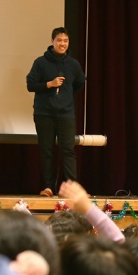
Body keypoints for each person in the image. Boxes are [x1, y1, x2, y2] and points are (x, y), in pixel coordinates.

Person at [26, 26, 85, 197]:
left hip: (66, 114)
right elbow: (30, 85)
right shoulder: (41, 62)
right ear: (52, 41)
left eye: (65, 41)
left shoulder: (73, 64)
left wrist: (65, 97)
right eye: (59, 40)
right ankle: (48, 187)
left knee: (68, 151)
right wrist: (49, 84)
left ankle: (72, 190)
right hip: (44, 114)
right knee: (47, 150)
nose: (62, 44)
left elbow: (79, 83)